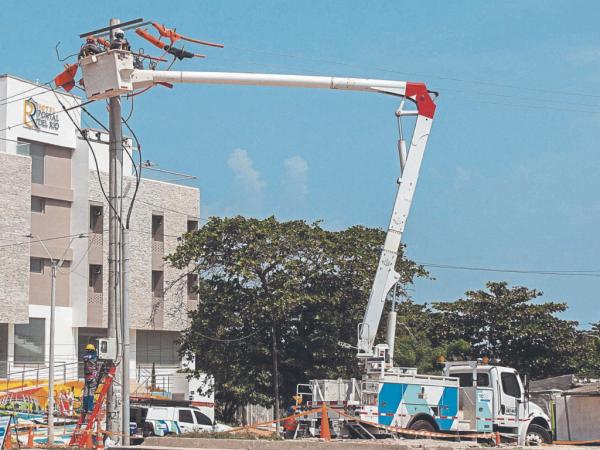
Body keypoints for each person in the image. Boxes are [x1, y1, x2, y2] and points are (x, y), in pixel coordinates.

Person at [82, 343, 99, 413]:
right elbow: (96, 357)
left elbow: (87, 357)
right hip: (92, 377)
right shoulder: (94, 356)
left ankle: (84, 408)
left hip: (86, 377)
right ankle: (89, 408)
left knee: (86, 393)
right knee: (91, 393)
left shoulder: (85, 357)